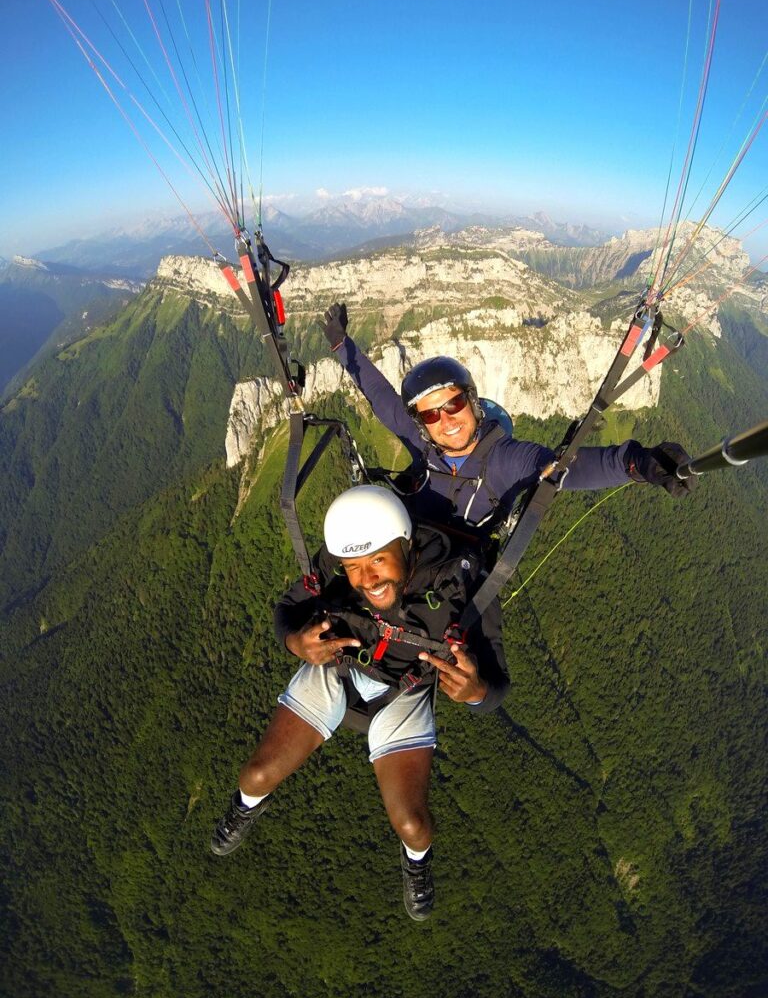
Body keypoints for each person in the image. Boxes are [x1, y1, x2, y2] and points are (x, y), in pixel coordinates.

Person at [210, 485, 509, 921]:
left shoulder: (462, 587)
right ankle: (245, 808)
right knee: (255, 777)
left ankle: (417, 862)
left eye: (378, 561)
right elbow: (288, 610)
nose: (366, 580)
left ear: (405, 546)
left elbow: (497, 687)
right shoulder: (334, 562)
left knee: (414, 825)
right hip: (337, 666)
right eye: (353, 567)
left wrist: (475, 691)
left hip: (406, 690)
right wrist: (297, 644)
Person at [318, 303, 696, 543]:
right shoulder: (423, 441)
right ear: (421, 423)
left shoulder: (503, 459)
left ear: (472, 402)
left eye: (453, 404)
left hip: (456, 572)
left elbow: (563, 468)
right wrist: (342, 345)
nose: (445, 420)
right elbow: (381, 395)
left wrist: (640, 463)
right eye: (431, 414)